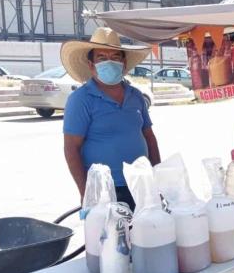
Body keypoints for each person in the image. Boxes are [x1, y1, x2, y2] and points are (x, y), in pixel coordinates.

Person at [62, 27, 160, 211]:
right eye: (102, 58)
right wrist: (86, 192)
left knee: (148, 236)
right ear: (91, 65)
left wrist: (158, 176)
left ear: (123, 63)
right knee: (112, 239)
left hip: (141, 184)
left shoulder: (136, 95)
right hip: (105, 190)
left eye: (115, 57)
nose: (109, 62)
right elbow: (71, 148)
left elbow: (149, 137)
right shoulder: (81, 99)